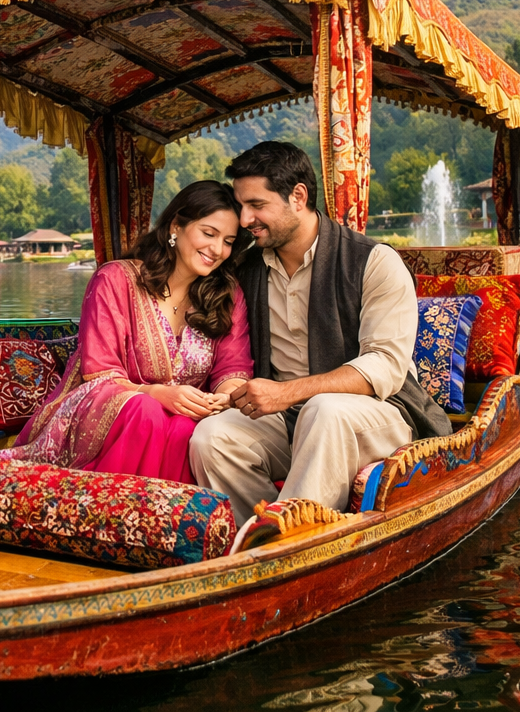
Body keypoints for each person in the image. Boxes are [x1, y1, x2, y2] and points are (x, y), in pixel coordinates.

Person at [190, 141, 450, 523]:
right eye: (241, 205)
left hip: (380, 413)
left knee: (324, 410)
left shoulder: (373, 261)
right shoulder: (246, 269)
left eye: (257, 205)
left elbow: (385, 368)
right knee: (212, 438)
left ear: (298, 196)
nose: (244, 220)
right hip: (287, 417)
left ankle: (290, 545)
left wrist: (287, 392)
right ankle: (263, 537)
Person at [0, 181, 254, 484]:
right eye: (208, 233)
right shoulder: (116, 279)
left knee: (190, 427)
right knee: (146, 412)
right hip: (111, 406)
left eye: (228, 241)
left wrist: (222, 398)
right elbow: (100, 372)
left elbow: (233, 367)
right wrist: (157, 393)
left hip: (182, 416)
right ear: (176, 227)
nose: (217, 249)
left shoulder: (226, 294)